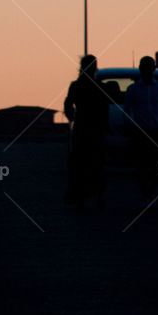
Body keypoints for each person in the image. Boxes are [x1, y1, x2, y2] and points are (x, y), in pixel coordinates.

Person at [122, 56, 158, 204]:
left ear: (153, 69)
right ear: (140, 69)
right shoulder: (133, 89)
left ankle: (151, 190)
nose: (146, 70)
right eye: (144, 67)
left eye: (149, 67)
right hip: (141, 132)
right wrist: (131, 128)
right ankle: (145, 192)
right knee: (142, 165)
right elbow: (127, 111)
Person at [63, 54, 110, 210]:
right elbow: (105, 109)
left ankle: (83, 198)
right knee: (96, 165)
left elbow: (68, 104)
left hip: (83, 128)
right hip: (93, 129)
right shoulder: (99, 86)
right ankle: (98, 198)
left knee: (80, 165)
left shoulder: (76, 85)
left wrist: (71, 117)